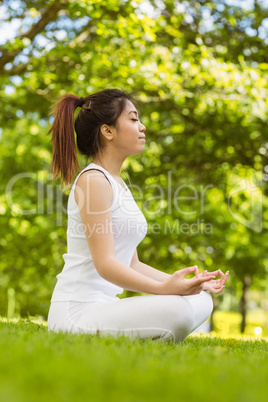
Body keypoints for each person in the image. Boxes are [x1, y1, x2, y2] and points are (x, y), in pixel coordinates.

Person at [47, 89, 228, 342]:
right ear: (108, 131)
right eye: (133, 119)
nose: (142, 127)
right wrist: (166, 290)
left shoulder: (117, 183)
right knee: (176, 310)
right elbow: (106, 264)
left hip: (104, 306)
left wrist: (190, 284)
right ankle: (157, 337)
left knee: (201, 299)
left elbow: (132, 264)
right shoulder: (93, 181)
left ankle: (155, 335)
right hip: (76, 312)